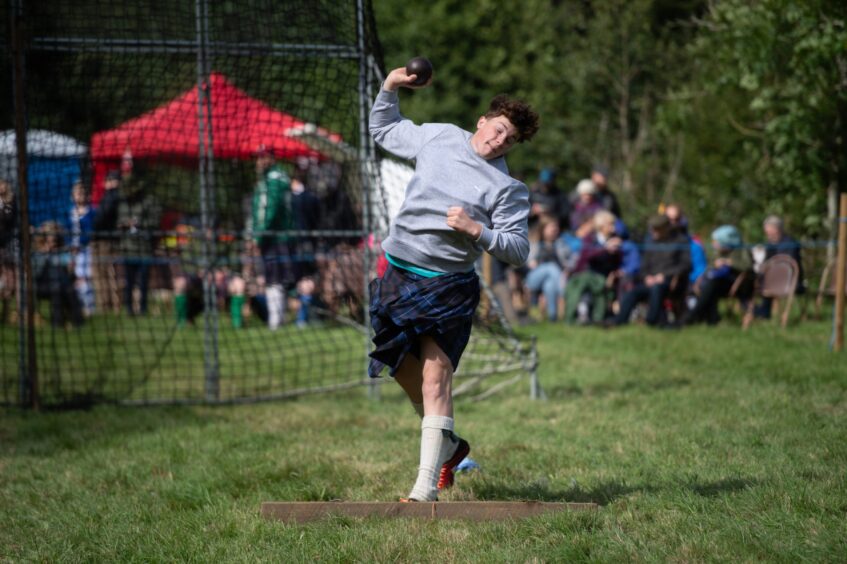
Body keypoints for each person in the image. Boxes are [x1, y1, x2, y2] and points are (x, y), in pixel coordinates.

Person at [368, 65, 538, 502]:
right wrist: (390, 85)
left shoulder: (508, 188)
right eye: (498, 129)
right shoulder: (440, 136)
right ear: (483, 121)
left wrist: (476, 231)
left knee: (434, 379)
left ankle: (423, 491)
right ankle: (449, 443)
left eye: (509, 139)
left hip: (448, 286)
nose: (499, 141)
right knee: (401, 370)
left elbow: (519, 249)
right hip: (397, 271)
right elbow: (384, 131)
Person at [610, 214, 691, 327]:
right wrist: (647, 277)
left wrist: (665, 275)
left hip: (670, 281)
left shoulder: (680, 241)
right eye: (652, 229)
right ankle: (620, 320)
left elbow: (686, 265)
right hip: (650, 280)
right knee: (631, 293)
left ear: (665, 229)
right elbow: (644, 266)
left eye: (656, 230)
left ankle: (651, 320)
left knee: (656, 289)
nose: (653, 232)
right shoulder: (651, 242)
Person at [251, 145, 294, 330]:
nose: (258, 162)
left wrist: (259, 236)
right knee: (279, 278)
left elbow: (270, 210)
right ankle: (278, 319)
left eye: (262, 157)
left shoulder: (273, 179)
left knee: (273, 278)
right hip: (280, 237)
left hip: (274, 238)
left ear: (270, 158)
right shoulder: (278, 177)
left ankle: (275, 322)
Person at [683, 224, 752, 325]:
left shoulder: (741, 250)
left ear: (725, 241)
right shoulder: (719, 252)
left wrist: (729, 262)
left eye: (716, 242)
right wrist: (716, 264)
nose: (714, 244)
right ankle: (711, 319)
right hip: (718, 284)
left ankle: (692, 316)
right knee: (711, 284)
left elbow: (747, 266)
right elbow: (710, 265)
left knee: (712, 284)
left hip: (739, 285)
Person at [563, 210, 622, 324]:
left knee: (599, 283)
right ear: (601, 225)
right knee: (586, 282)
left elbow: (616, 263)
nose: (613, 227)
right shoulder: (590, 238)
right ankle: (573, 317)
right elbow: (587, 256)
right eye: (610, 224)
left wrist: (616, 254)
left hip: (603, 276)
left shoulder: (615, 239)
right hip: (583, 273)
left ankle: (597, 318)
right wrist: (605, 249)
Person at [754, 215, 804, 319]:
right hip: (771, 281)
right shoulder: (770, 245)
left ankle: (762, 312)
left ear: (776, 229)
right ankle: (761, 312)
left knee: (766, 281)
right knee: (757, 281)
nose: (767, 234)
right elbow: (765, 262)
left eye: (769, 231)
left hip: (789, 282)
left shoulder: (791, 244)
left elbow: (788, 266)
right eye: (766, 231)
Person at [525, 216, 573, 321]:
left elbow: (572, 260)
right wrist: (531, 262)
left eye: (556, 228)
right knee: (551, 268)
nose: (555, 231)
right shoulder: (534, 243)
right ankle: (564, 292)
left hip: (555, 279)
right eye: (552, 228)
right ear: (543, 229)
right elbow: (525, 260)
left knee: (550, 284)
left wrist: (567, 268)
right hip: (534, 278)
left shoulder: (561, 244)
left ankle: (553, 317)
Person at [91, 170, 122, 313]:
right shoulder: (113, 196)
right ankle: (108, 305)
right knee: (107, 273)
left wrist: (92, 228)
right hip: (107, 238)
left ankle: (106, 305)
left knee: (104, 273)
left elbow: (100, 218)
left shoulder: (112, 196)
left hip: (104, 239)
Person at [67, 180, 96, 316]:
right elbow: (68, 231)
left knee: (86, 275)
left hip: (86, 249)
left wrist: (82, 244)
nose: (79, 196)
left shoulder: (90, 212)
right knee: (76, 276)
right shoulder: (71, 213)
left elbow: (90, 231)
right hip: (73, 250)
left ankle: (89, 305)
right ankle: (78, 305)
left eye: (81, 194)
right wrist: (71, 246)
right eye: (77, 194)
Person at [0, 178, 17, 324]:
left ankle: (8, 312)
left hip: (7, 245)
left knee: (9, 279)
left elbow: (9, 220)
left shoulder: (11, 203)